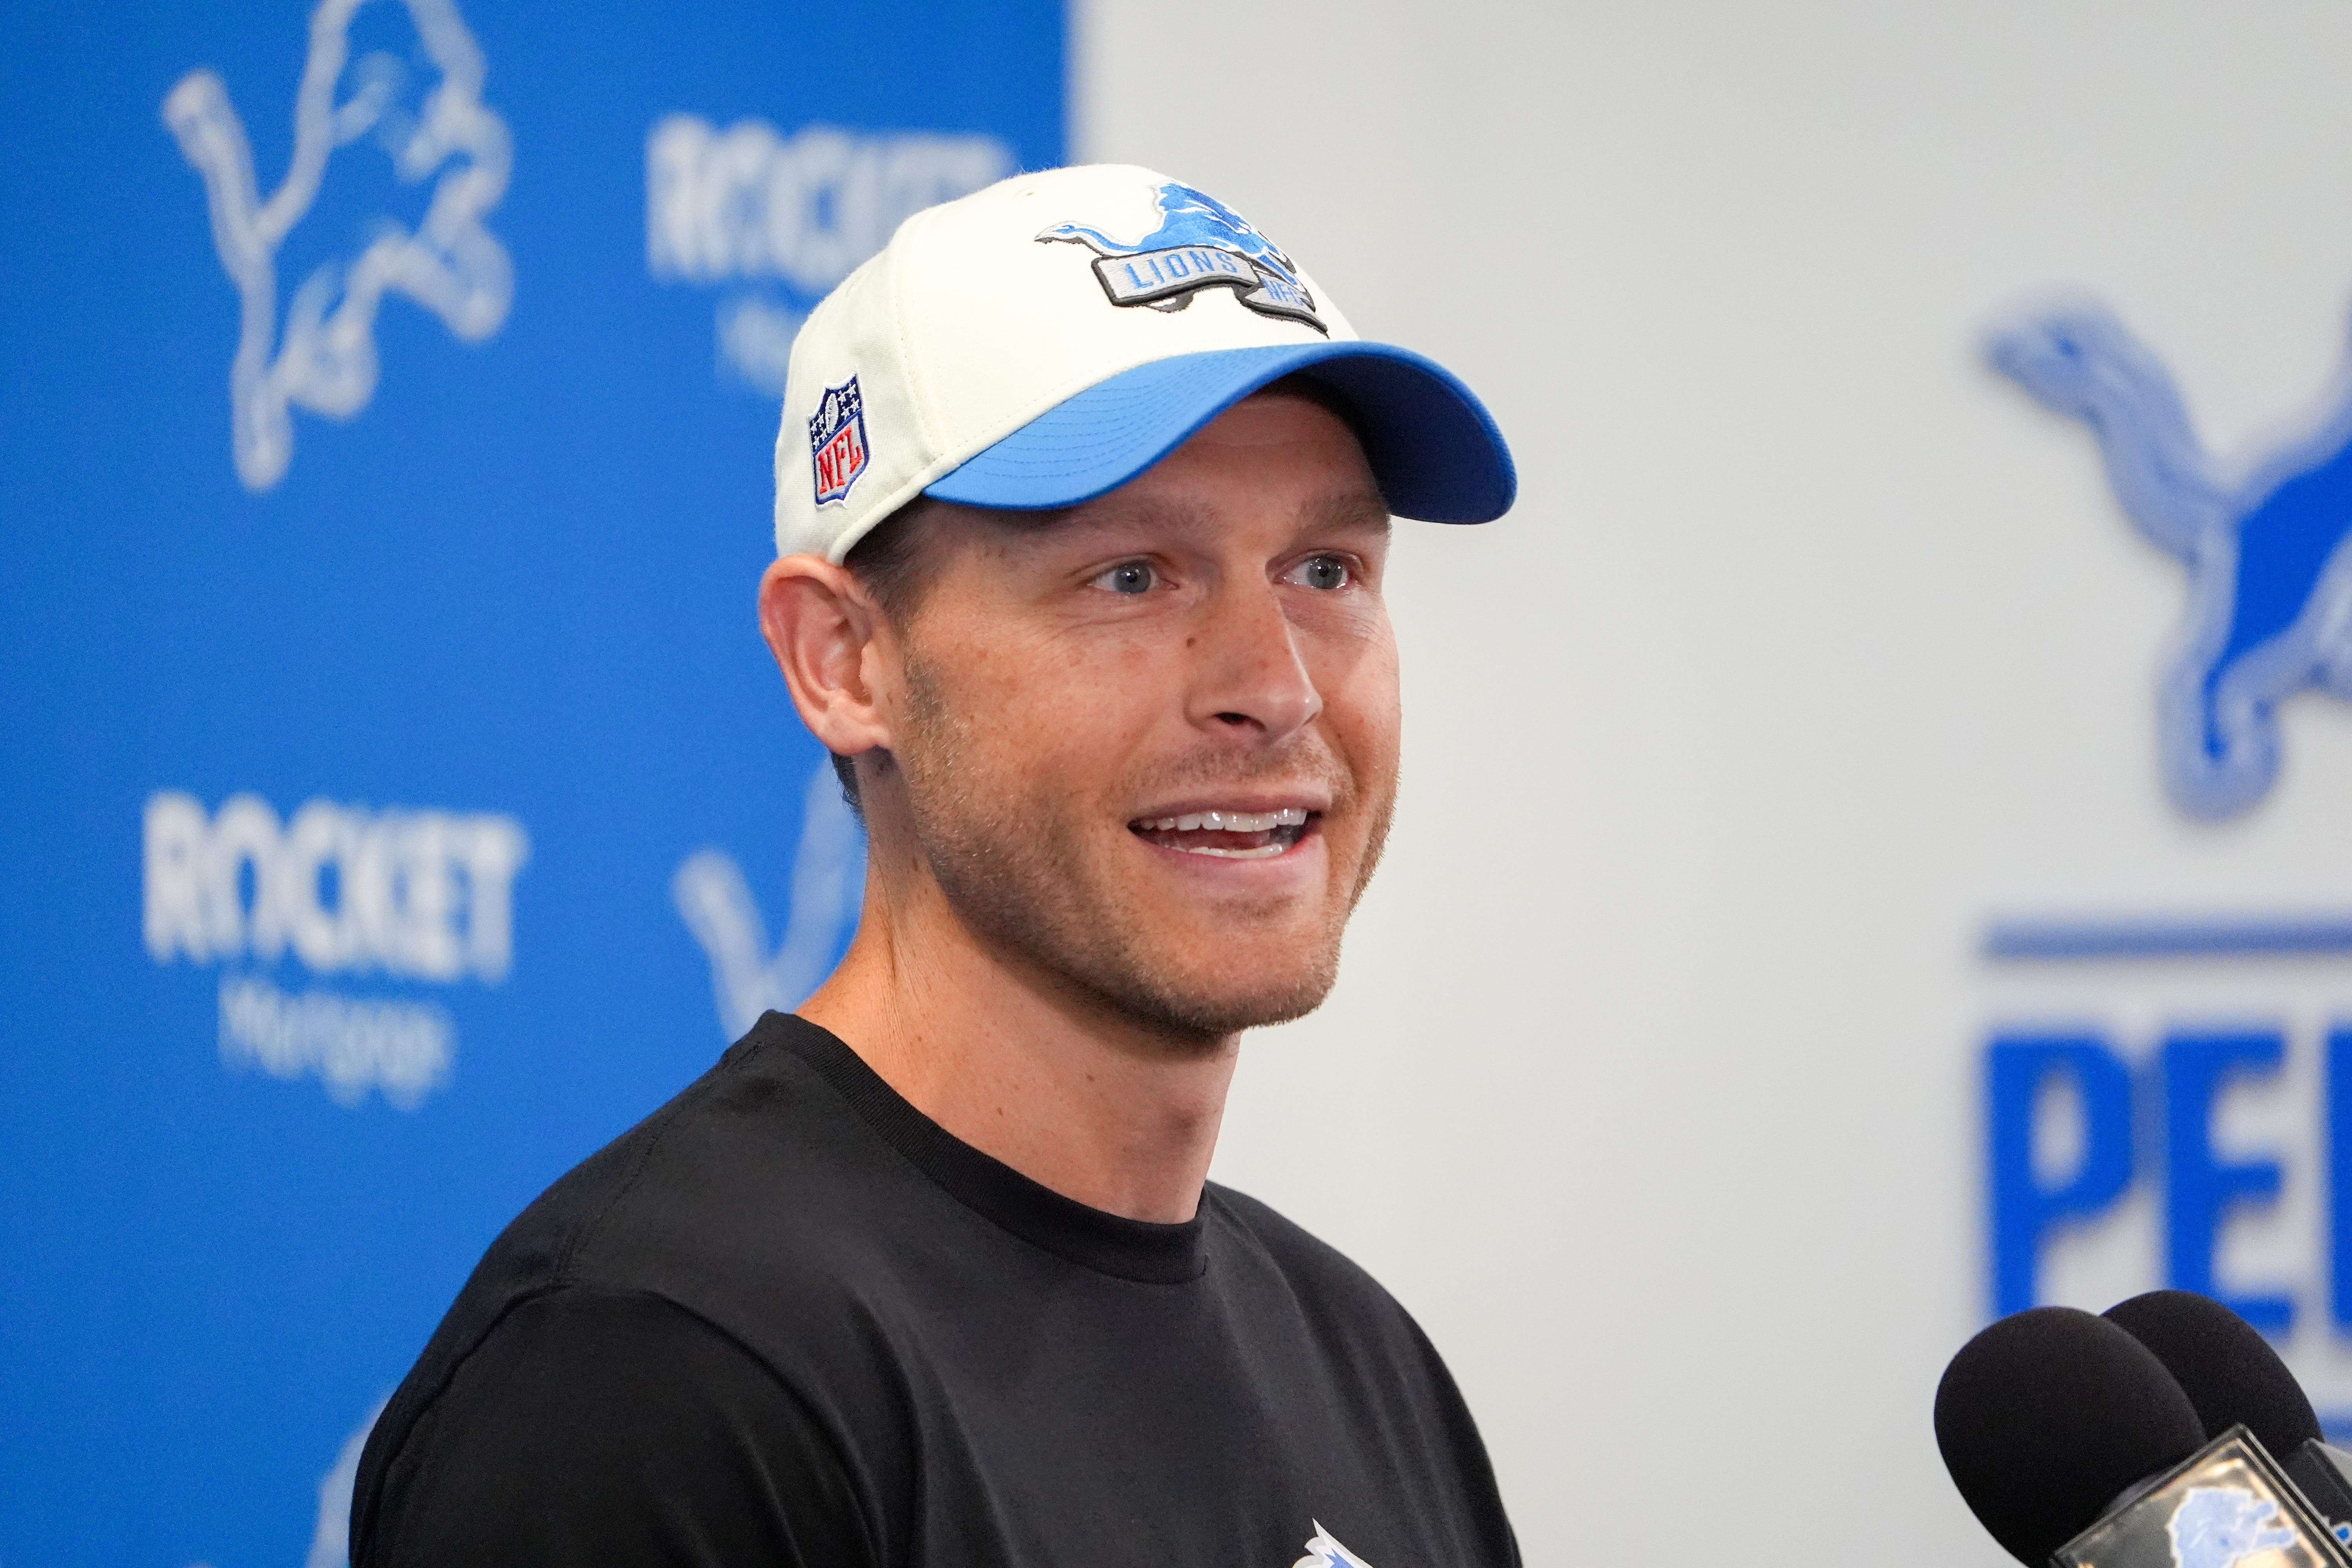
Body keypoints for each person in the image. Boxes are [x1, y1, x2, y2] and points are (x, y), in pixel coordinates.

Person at [351, 163, 1519, 1568]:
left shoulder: (1364, 1363)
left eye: (1326, 572)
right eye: (1133, 575)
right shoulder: (657, 1376)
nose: (1274, 688)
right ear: (845, 661)